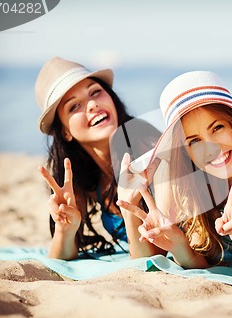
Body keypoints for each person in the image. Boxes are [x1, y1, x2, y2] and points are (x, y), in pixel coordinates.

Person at [117, 71, 232, 279]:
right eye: (194, 141)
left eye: (217, 128)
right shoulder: (176, 180)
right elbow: (147, 264)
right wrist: (129, 209)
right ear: (183, 150)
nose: (212, 148)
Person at [35, 57, 162, 260]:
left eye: (95, 92)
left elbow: (156, 257)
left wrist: (131, 212)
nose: (92, 104)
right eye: (74, 106)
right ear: (65, 132)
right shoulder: (81, 177)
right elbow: (60, 258)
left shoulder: (151, 153)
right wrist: (65, 229)